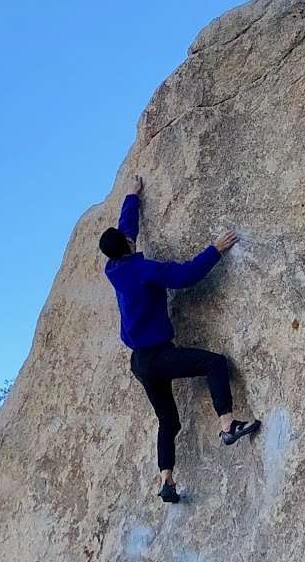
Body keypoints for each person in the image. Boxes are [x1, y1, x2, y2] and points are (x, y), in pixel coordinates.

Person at [99, 176, 261, 503]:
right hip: (158, 356)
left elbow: (126, 229)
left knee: (168, 420)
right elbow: (186, 276)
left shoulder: (114, 269)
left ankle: (166, 480)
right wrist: (215, 250)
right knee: (214, 363)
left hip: (140, 364)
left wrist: (132, 196)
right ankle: (227, 424)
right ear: (128, 247)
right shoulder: (145, 270)